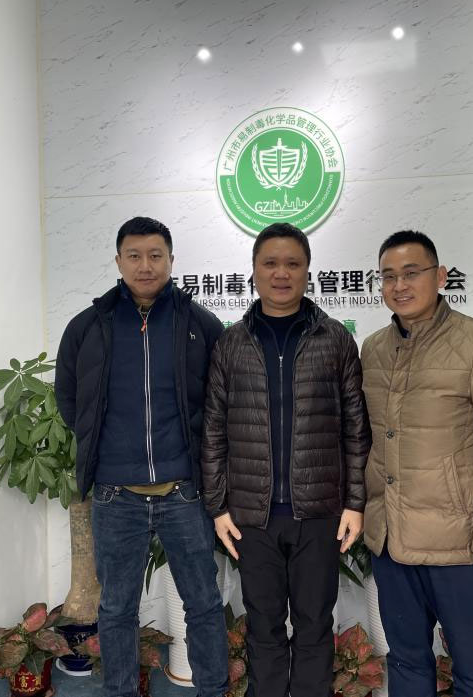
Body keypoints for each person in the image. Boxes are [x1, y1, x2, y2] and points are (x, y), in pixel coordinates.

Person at [54, 216, 228, 697]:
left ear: (171, 260)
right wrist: (104, 447)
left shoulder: (199, 324)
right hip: (116, 495)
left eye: (155, 255)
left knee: (204, 603)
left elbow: (222, 398)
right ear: (118, 261)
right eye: (134, 256)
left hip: (184, 492)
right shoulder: (88, 327)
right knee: (116, 609)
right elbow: (69, 397)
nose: (145, 265)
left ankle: (213, 690)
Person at [201, 222, 371, 697]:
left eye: (292, 263)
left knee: (315, 624)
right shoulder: (231, 343)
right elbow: (213, 429)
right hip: (252, 516)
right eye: (270, 263)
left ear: (307, 271)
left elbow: (355, 428)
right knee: (264, 625)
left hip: (318, 513)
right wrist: (218, 507)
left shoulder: (334, 339)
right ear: (254, 271)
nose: (281, 273)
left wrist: (355, 502)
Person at [361, 230, 473, 697]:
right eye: (388, 276)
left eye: (411, 273)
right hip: (393, 543)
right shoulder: (374, 349)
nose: (399, 285)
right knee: (406, 661)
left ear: (439, 276)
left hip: (459, 546)